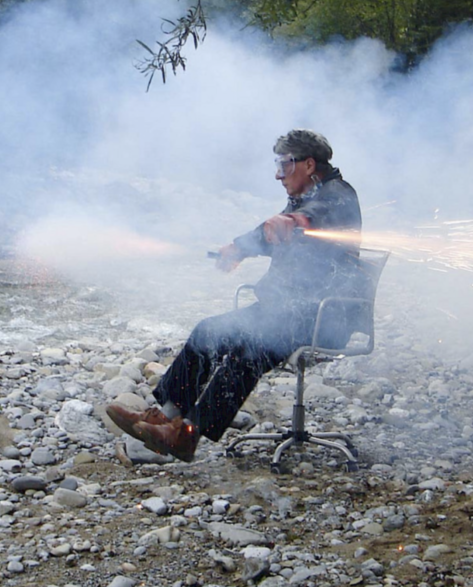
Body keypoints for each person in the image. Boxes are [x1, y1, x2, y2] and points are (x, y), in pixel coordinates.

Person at [105, 129, 367, 461]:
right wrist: (238, 249)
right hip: (285, 310)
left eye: (285, 165)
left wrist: (293, 219)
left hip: (321, 317)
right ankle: (169, 419)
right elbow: (276, 231)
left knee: (250, 348)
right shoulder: (307, 193)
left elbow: (311, 218)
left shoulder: (337, 196)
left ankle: (189, 435)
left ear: (309, 164)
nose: (278, 174)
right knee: (207, 331)